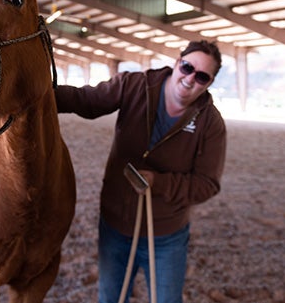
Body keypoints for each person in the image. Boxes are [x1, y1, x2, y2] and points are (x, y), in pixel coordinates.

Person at [55, 40, 227, 303]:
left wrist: (158, 183)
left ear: (209, 83)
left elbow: (207, 184)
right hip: (114, 226)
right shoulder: (135, 85)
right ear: (176, 63)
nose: (190, 78)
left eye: (202, 76)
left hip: (166, 237)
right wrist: (40, 94)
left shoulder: (211, 123)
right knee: (110, 298)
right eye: (187, 67)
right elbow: (84, 100)